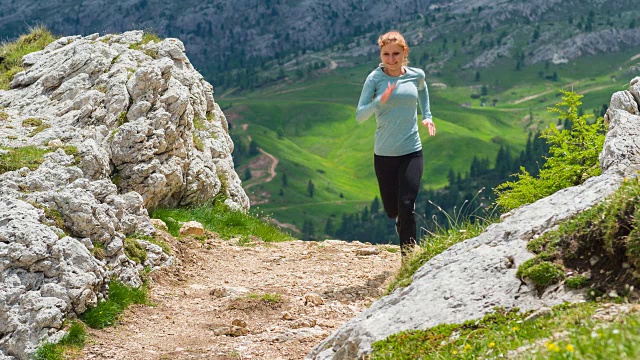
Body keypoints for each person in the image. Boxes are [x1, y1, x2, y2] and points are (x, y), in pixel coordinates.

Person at [356, 30, 436, 257]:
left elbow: (423, 90)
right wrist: (379, 101)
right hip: (384, 155)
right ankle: (399, 222)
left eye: (396, 54)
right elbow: (360, 115)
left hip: (412, 151)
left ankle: (408, 260)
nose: (391, 59)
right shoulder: (375, 79)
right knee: (393, 210)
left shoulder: (415, 75)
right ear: (380, 54)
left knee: (407, 205)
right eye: (386, 54)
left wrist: (427, 115)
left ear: (405, 52)